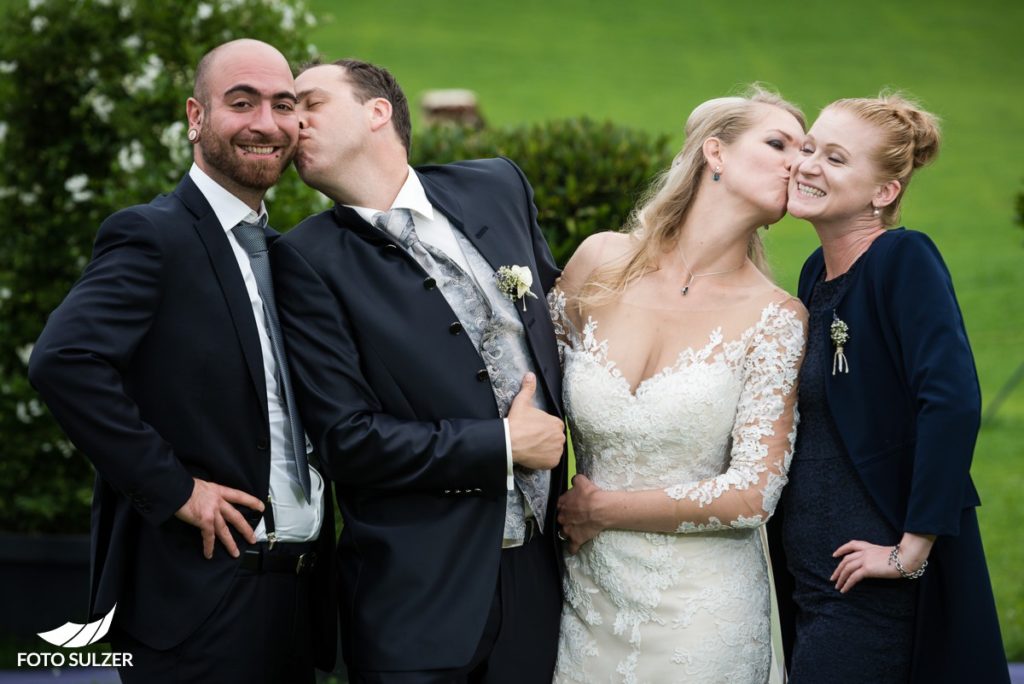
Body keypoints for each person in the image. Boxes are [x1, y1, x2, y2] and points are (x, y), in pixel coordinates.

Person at [28, 39, 335, 683]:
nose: (264, 123)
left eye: (282, 105)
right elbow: (65, 361)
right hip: (199, 599)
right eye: (241, 102)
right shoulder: (152, 235)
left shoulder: (287, 257)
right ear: (196, 118)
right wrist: (176, 490)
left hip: (297, 603)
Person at [272, 58, 567, 683]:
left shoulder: (497, 186)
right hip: (417, 595)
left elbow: (565, 331)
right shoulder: (303, 260)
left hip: (542, 580)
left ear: (378, 111)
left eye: (310, 103)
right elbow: (347, 440)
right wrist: (506, 444)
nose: (290, 122)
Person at [549, 87, 808, 683]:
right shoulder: (599, 262)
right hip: (587, 598)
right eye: (778, 143)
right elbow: (533, 385)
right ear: (714, 153)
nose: (799, 161)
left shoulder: (775, 317)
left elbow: (752, 495)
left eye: (807, 149)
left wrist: (602, 509)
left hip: (701, 612)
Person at [769, 93, 1010, 683]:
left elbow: (951, 401)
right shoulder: (813, 273)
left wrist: (911, 550)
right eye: (808, 148)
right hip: (811, 579)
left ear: (884, 192)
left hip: (870, 589)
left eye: (835, 157)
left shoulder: (903, 258)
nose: (807, 165)